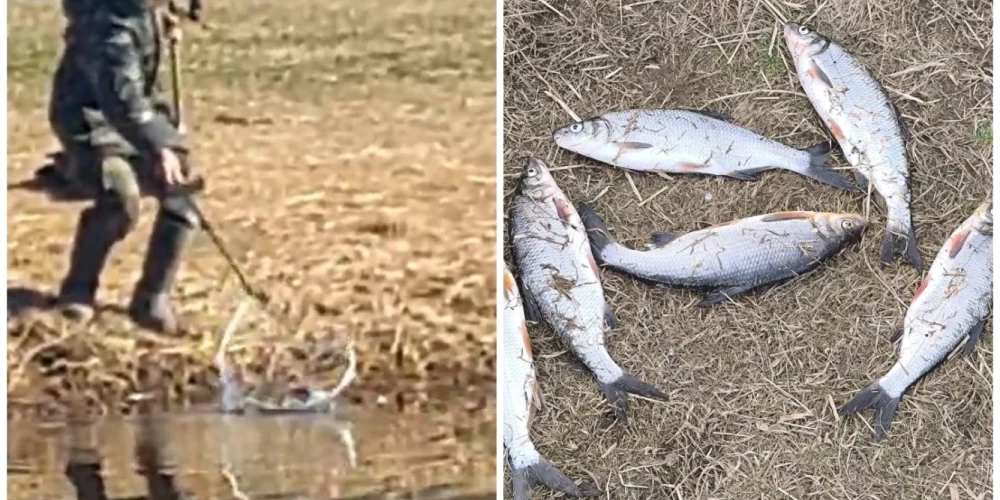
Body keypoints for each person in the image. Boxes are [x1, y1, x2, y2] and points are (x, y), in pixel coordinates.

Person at [49, 0, 199, 335]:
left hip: (139, 116)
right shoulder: (111, 26)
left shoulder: (143, 12)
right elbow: (122, 101)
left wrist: (172, 15)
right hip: (91, 122)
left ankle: (152, 299)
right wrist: (158, 144)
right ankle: (78, 291)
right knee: (119, 197)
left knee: (181, 192)